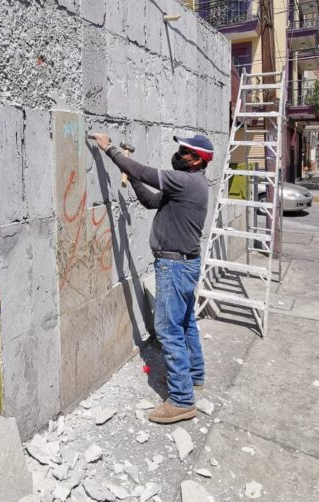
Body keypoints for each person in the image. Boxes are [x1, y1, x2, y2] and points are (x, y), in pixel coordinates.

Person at [89, 131, 213, 424]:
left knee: (168, 329)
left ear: (196, 161)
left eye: (184, 151)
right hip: (184, 264)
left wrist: (110, 150)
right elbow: (150, 200)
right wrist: (129, 176)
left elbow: (143, 171)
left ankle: (182, 400)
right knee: (184, 323)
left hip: (174, 266)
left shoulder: (186, 181)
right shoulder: (189, 185)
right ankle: (194, 375)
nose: (179, 154)